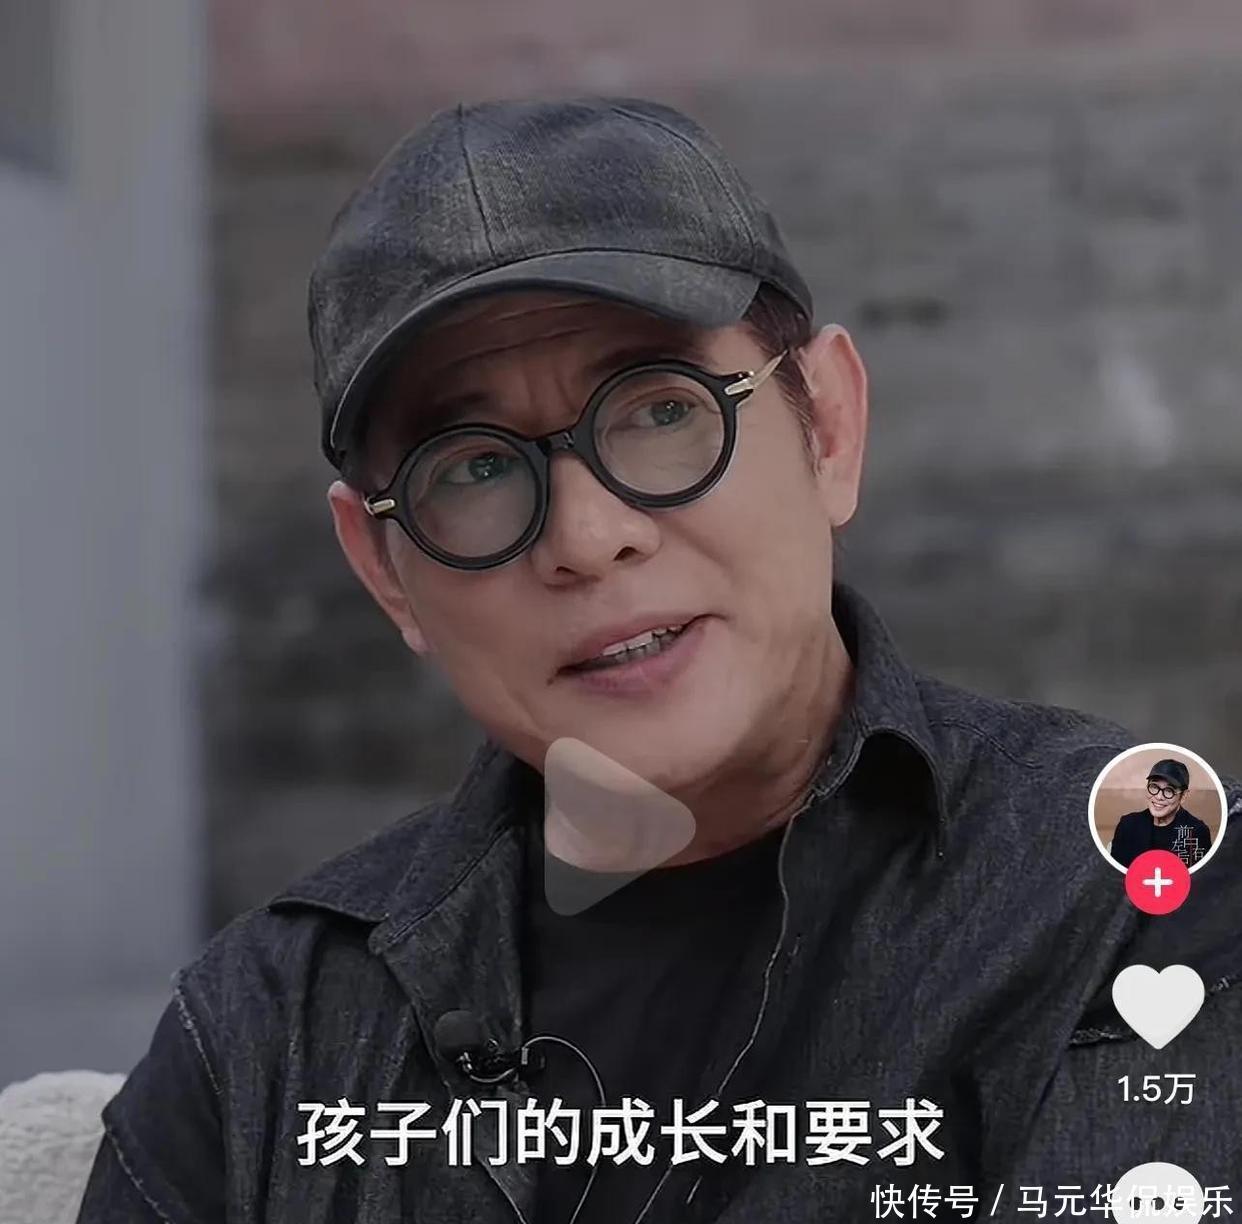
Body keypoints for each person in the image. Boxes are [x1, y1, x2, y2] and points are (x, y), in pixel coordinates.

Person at [78, 97, 1242, 1224]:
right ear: (387, 571)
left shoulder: (1139, 893)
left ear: (828, 428)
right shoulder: (265, 1036)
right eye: (474, 469)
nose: (588, 537)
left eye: (662, 410)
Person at [1110, 758, 1214, 869]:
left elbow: (1200, 877)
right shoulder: (1128, 825)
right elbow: (1113, 874)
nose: (1159, 797)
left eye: (1169, 791)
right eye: (1154, 787)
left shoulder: (1197, 832)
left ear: (1183, 796)